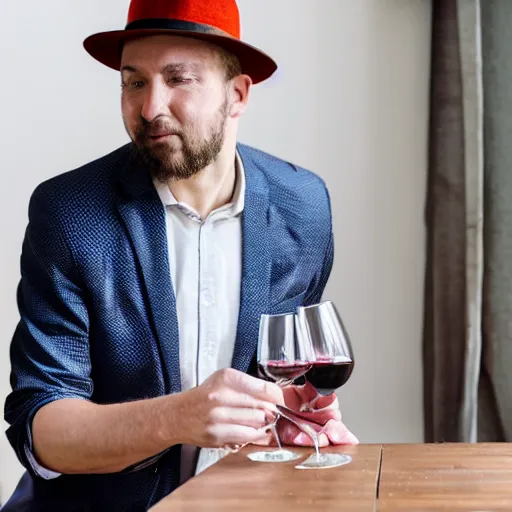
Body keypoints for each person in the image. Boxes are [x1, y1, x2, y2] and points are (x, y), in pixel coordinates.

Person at [2, 0, 358, 510]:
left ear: (236, 96)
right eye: (135, 82)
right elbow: (41, 431)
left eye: (178, 79)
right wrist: (178, 417)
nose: (150, 108)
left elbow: (287, 381)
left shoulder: (303, 207)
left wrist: (293, 417)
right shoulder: (69, 214)